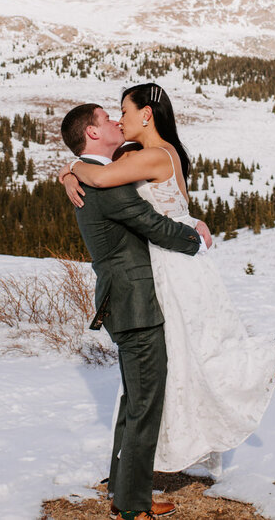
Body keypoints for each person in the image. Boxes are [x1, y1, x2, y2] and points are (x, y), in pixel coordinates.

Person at [59, 83, 275, 480]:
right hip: (165, 264)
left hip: (177, 264)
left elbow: (101, 179)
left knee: (198, 355)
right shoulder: (139, 155)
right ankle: (140, 469)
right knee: (177, 362)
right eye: (113, 115)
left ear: (146, 115)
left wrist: (71, 169)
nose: (119, 119)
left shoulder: (155, 155)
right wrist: (69, 172)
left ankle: (270, 358)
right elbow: (106, 175)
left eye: (124, 111)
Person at [59, 102, 212, 520]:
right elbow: (153, 225)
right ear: (92, 133)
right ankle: (130, 508)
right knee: (145, 405)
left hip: (125, 303)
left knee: (134, 401)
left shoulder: (93, 174)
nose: (113, 121)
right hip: (136, 305)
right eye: (105, 119)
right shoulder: (106, 185)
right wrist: (194, 237)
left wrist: (71, 169)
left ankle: (125, 492)